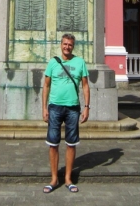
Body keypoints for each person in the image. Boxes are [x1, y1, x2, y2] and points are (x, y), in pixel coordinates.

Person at [42, 33, 90, 194]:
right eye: (65, 44)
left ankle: (68, 179)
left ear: (73, 46)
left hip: (73, 108)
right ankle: (54, 179)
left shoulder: (80, 62)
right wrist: (44, 108)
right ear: (61, 45)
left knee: (71, 143)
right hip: (55, 107)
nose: (67, 47)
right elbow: (46, 86)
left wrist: (87, 107)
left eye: (70, 44)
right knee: (53, 143)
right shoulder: (53, 63)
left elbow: (85, 86)